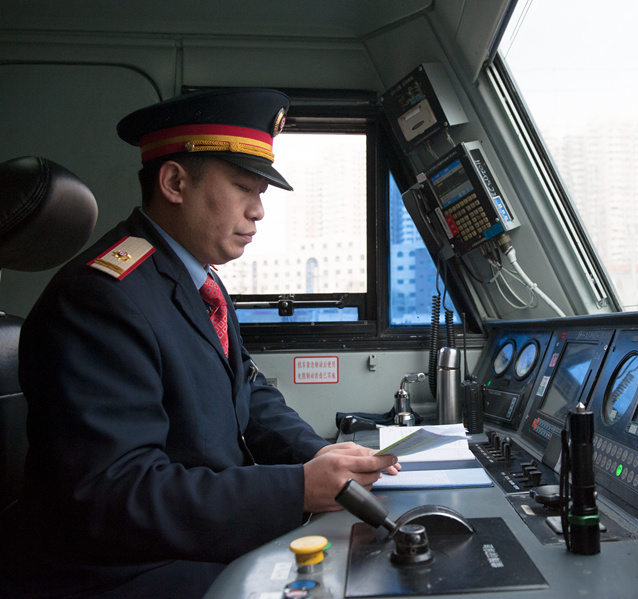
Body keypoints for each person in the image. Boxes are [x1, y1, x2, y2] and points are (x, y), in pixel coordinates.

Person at [0, 89, 399, 598]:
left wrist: (326, 458)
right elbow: (118, 492)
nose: (258, 212)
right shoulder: (100, 297)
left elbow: (249, 393)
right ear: (174, 182)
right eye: (242, 188)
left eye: (262, 194)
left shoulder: (196, 279)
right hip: (119, 570)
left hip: (188, 541)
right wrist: (300, 486)